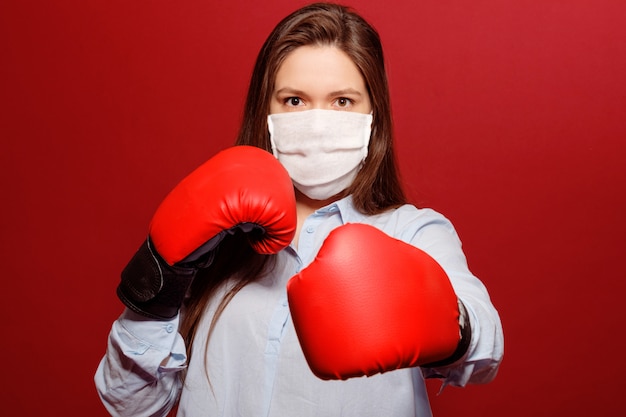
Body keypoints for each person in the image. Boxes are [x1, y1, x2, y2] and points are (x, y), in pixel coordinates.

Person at [95, 3, 504, 416]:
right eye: (294, 100)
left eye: (342, 101)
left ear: (373, 117)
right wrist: (161, 279)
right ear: (267, 113)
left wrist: (446, 325)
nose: (318, 122)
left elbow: (486, 352)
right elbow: (128, 404)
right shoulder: (214, 234)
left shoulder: (413, 234)